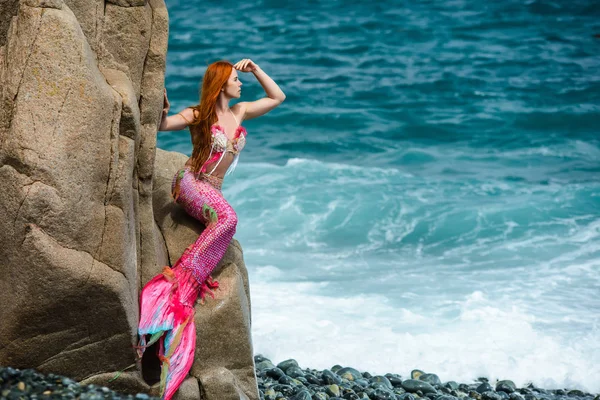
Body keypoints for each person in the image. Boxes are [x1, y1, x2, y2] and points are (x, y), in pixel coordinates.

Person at [137, 58, 285, 400]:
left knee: (226, 219)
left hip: (212, 191)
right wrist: (163, 105)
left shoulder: (242, 111)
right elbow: (162, 125)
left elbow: (278, 98)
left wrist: (257, 69)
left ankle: (184, 286)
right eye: (236, 79)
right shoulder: (198, 114)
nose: (240, 84)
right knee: (229, 220)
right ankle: (184, 281)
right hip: (190, 183)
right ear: (220, 84)